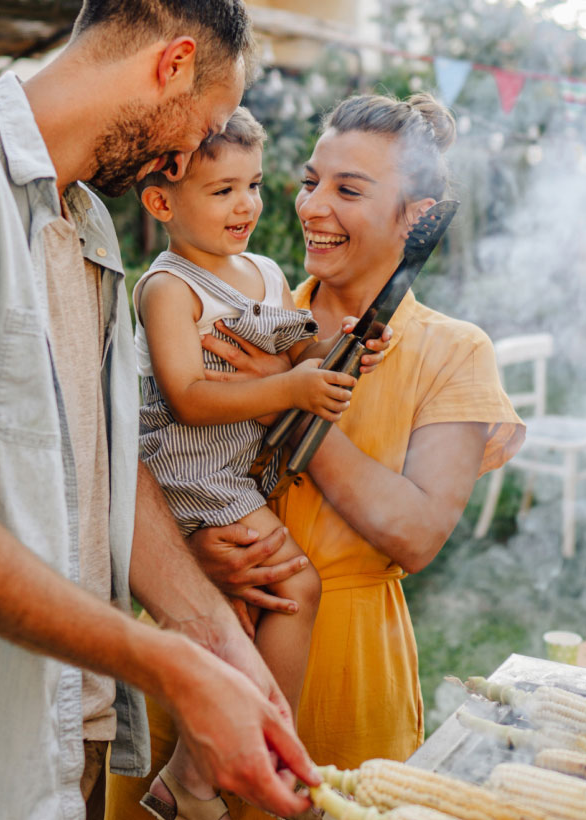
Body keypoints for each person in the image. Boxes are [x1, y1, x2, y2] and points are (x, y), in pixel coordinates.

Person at [0, 2, 324, 819]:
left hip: (67, 729)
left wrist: (211, 635)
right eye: (206, 124)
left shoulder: (85, 224)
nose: (187, 158)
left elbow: (100, 463)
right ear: (173, 63)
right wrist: (171, 666)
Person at [105, 93, 525, 820]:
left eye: (348, 190)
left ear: (416, 217)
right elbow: (141, 455)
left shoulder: (454, 353)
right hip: (196, 644)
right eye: (309, 181)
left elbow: (416, 533)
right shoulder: (235, 310)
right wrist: (187, 562)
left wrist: (285, 398)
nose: (311, 207)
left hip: (345, 679)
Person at [129, 108, 390, 820]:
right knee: (293, 589)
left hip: (240, 472)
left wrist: (340, 349)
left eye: (254, 185)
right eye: (222, 191)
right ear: (161, 202)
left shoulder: (266, 272)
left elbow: (298, 347)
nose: (246, 204)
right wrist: (291, 387)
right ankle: (265, 744)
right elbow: (186, 397)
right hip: (193, 472)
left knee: (245, 611)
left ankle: (190, 773)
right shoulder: (168, 288)